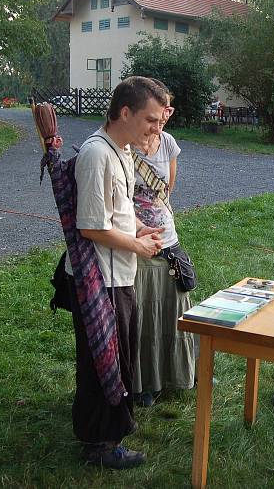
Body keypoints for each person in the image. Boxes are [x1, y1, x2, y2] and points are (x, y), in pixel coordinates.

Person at [65, 76, 168, 469]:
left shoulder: (120, 150)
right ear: (124, 112)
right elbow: (90, 226)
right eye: (151, 120)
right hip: (99, 281)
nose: (157, 130)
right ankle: (99, 444)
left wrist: (138, 230)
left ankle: (110, 425)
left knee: (118, 356)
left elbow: (113, 213)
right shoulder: (97, 155)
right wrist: (137, 246)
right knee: (100, 361)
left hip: (120, 275)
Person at [130, 85, 195, 407]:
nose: (163, 118)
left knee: (175, 309)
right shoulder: (126, 145)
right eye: (159, 112)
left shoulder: (168, 143)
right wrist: (138, 230)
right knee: (144, 313)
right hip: (136, 242)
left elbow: (167, 190)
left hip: (168, 239)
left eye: (168, 111)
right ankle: (144, 383)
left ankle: (177, 373)